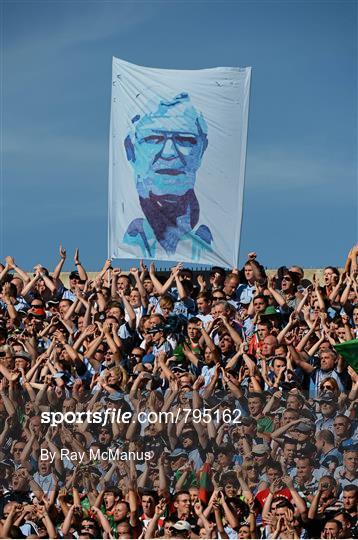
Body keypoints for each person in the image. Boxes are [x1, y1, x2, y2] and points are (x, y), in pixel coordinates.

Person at [123, 92, 213, 259]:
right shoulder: (125, 239)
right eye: (153, 138)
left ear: (201, 151)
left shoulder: (216, 240)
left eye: (185, 140)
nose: (169, 152)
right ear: (131, 150)